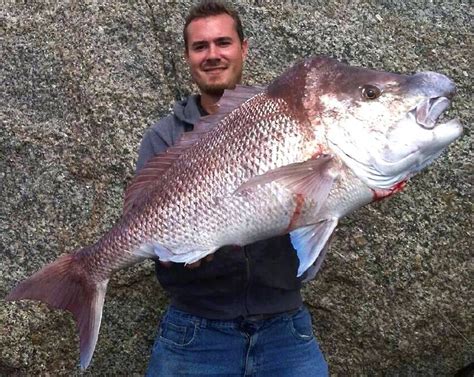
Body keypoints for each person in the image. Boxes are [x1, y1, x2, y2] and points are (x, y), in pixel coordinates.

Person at [136, 1, 329, 376]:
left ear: (244, 48)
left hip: (285, 328)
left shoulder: (289, 119)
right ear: (188, 57)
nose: (212, 55)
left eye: (223, 42)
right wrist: (177, 254)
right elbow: (145, 227)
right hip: (194, 332)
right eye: (200, 46)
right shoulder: (164, 137)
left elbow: (324, 198)